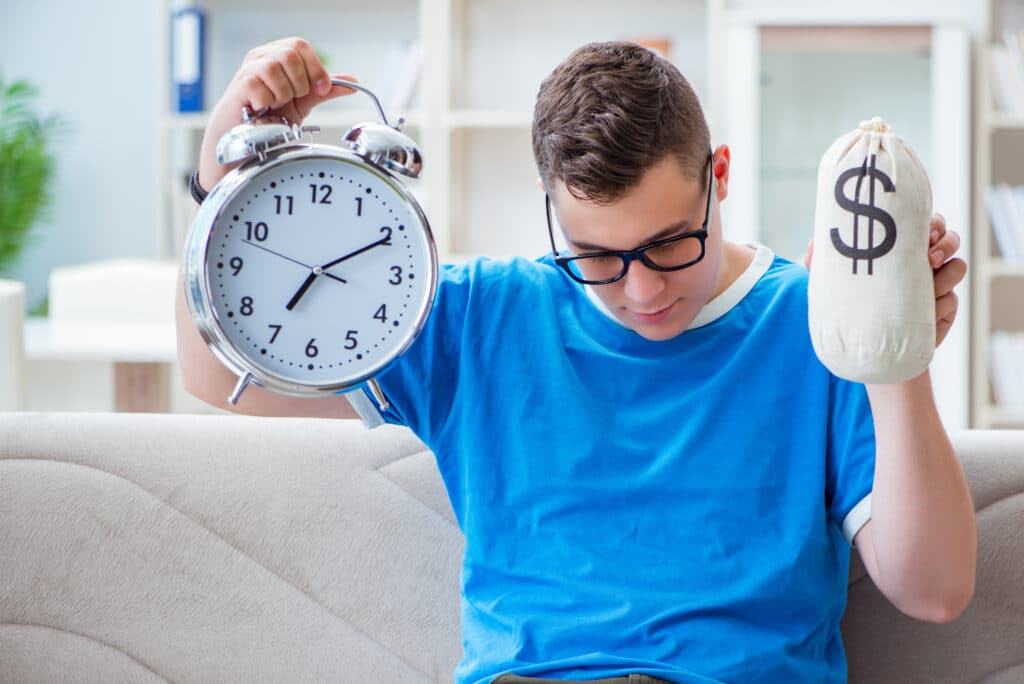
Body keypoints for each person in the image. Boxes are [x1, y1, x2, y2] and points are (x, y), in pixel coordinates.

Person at [176, 37, 976, 684]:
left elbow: (934, 591)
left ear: (719, 176)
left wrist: (894, 347)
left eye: (670, 244)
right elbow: (218, 377)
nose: (640, 290)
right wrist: (223, 163)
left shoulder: (812, 321)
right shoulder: (474, 315)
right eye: (594, 254)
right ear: (549, 205)